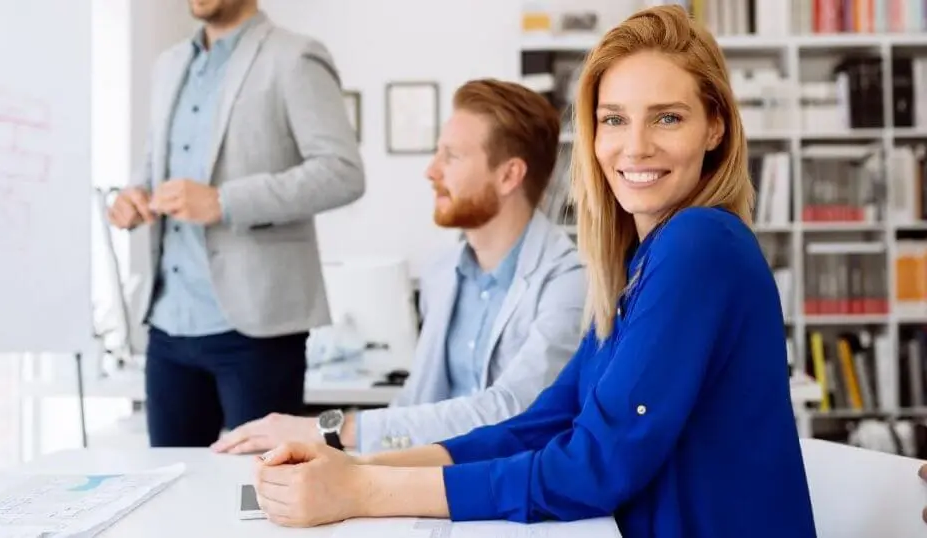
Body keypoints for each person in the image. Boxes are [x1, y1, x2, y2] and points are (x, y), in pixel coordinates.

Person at [246, 6, 819, 536]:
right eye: (613, 120)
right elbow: (540, 424)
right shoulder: (638, 268)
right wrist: (355, 465)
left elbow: (592, 469)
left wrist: (365, 491)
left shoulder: (701, 244)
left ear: (715, 128)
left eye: (667, 118)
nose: (634, 146)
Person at [210, 79, 585, 455]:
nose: (431, 171)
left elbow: (514, 411)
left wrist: (332, 429)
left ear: (508, 175)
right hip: (432, 477)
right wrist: (328, 451)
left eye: (451, 156)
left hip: (510, 490)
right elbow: (417, 405)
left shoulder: (570, 281)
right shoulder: (443, 272)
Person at [106, 0, 364, 447]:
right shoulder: (169, 64)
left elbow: (342, 173)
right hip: (167, 326)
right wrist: (133, 196)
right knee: (174, 488)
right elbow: (153, 165)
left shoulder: (294, 56)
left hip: (257, 328)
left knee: (261, 496)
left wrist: (224, 201)